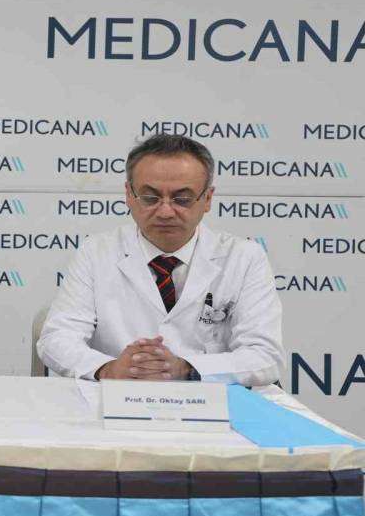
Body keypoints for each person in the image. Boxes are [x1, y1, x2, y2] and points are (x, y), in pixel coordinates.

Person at [37, 134, 283, 386]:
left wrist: (186, 369)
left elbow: (265, 355)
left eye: (182, 199)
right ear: (129, 195)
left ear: (207, 199)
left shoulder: (244, 257)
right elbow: (57, 338)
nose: (165, 212)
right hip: (117, 396)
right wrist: (108, 369)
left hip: (213, 400)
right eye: (150, 198)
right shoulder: (96, 252)